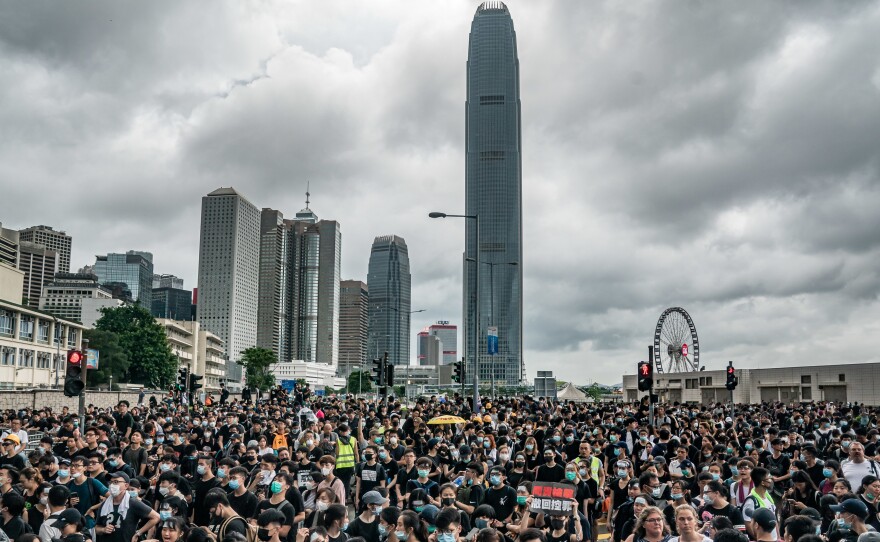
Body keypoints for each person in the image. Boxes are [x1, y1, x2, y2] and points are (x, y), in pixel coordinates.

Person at [95, 472, 161, 542]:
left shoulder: (133, 503)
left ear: (126, 485)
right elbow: (97, 528)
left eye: (116, 482)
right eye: (110, 482)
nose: (112, 485)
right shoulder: (104, 504)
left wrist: (138, 533)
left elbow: (156, 517)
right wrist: (103, 529)